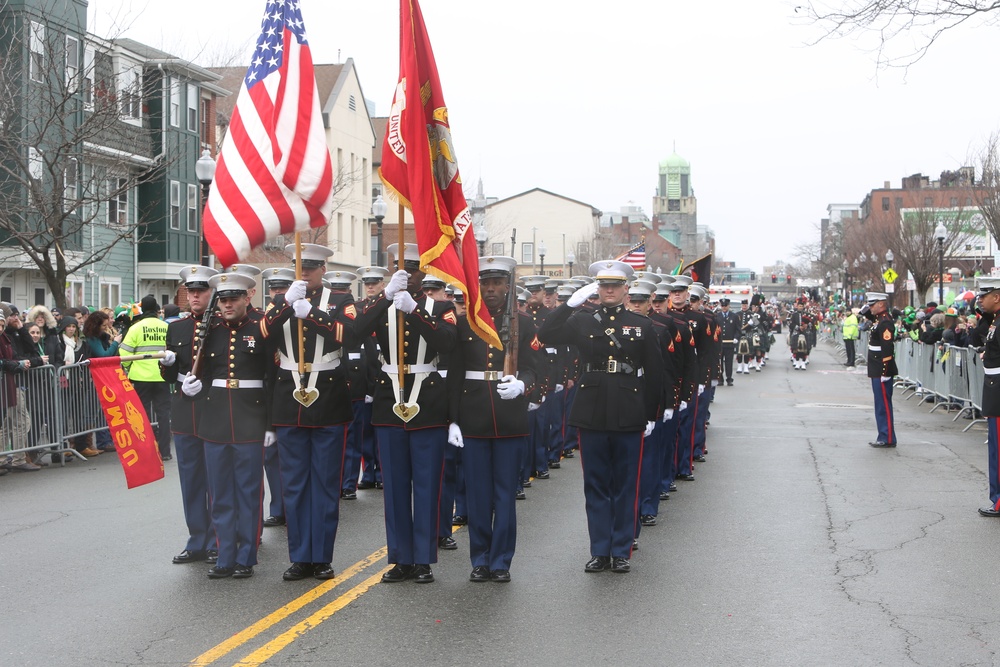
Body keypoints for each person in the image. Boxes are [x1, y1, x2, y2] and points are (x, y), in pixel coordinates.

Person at [538, 260, 663, 574]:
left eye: (614, 285)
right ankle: (600, 550)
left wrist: (651, 414)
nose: (608, 289)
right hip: (591, 409)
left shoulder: (642, 325)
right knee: (595, 484)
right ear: (597, 288)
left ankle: (621, 549)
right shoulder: (582, 321)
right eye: (603, 285)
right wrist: (569, 305)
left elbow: (656, 374)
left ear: (625, 289)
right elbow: (546, 334)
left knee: (625, 483)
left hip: (629, 408)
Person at [354, 243, 458, 584]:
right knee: (395, 486)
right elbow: (354, 333)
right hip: (389, 398)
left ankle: (424, 558)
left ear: (423, 271)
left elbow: (447, 344)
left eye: (413, 268)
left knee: (427, 483)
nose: (408, 274)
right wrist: (386, 296)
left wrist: (414, 310)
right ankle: (400, 557)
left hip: (426, 398)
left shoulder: (441, 307)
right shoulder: (380, 304)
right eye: (401, 268)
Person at [261, 244, 356, 582]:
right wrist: (287, 304)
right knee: (295, 485)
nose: (306, 273)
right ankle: (300, 556)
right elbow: (262, 334)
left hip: (328, 396)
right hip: (289, 399)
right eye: (301, 267)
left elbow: (351, 335)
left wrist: (312, 313)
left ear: (323, 268)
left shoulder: (341, 299)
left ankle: (322, 556)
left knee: (325, 483)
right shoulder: (280, 300)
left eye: (312, 267)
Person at [446, 256, 538, 582]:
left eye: (498, 283)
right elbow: (455, 373)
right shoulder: (464, 322)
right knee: (478, 495)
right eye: (485, 283)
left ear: (508, 286)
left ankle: (501, 561)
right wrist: (452, 419)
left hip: (509, 419)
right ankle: (480, 559)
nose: (491, 289)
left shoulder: (523, 323)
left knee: (504, 495)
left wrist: (523, 384)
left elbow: (537, 368)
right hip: (472, 417)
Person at [182, 272, 269, 579]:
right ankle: (224, 556)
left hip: (251, 421)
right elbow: (202, 374)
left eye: (234, 299)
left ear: (248, 298)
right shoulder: (210, 331)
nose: (228, 305)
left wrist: (269, 424)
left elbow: (270, 378)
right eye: (224, 300)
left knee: (247, 493)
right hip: (215, 421)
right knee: (220, 495)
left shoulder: (261, 329)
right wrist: (191, 389)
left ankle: (246, 556)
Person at [160, 265, 220, 566]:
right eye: (191, 291)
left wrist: (204, 385)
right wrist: (170, 365)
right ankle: (196, 538)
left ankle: (216, 540)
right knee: (191, 480)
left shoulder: (222, 325)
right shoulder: (176, 328)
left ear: (212, 293)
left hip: (213, 408)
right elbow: (170, 374)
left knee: (216, 479)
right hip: (185, 410)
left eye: (201, 290)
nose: (195, 296)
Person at [260, 267, 295, 528]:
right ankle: (278, 508)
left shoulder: (295, 317)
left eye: (282, 288)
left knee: (291, 457)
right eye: (274, 288)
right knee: (271, 458)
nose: (278, 293)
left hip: (289, 391)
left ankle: (291, 505)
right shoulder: (265, 318)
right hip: (266, 393)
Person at [119, 296, 172, 460]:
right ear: (157, 310)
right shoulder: (166, 326)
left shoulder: (136, 328)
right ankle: (165, 452)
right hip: (162, 376)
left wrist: (129, 368)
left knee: (142, 416)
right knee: (164, 415)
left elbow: (124, 352)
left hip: (140, 377)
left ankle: (147, 451)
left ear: (142, 310)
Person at [356, 266, 389, 491]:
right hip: (365, 376)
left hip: (385, 373)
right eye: (367, 282)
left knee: (382, 432)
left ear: (382, 285)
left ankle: (382, 473)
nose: (370, 286)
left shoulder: (389, 307)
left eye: (374, 282)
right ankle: (368, 472)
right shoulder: (358, 309)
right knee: (366, 433)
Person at [972, 278, 1000, 517]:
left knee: (999, 449)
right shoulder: (994, 321)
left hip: (998, 389)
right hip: (993, 387)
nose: (980, 300)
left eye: (985, 295)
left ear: (997, 297)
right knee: (994, 447)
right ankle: (996, 497)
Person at [863, 293, 898, 448]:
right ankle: (883, 434)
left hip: (881, 368)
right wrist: (868, 308)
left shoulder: (885, 323)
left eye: (873, 304)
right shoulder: (878, 320)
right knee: (879, 404)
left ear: (881, 304)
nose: (870, 308)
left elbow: (887, 349)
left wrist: (885, 371)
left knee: (883, 404)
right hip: (876, 366)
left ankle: (887, 437)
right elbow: (864, 312)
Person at [716, 298, 739, 386]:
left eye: (726, 306)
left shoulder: (734, 316)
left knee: (729, 362)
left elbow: (738, 329)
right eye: (722, 306)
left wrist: (736, 337)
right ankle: (720, 378)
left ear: (729, 306)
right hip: (720, 343)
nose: (724, 307)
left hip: (730, 343)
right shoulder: (717, 316)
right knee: (719, 362)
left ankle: (729, 379)